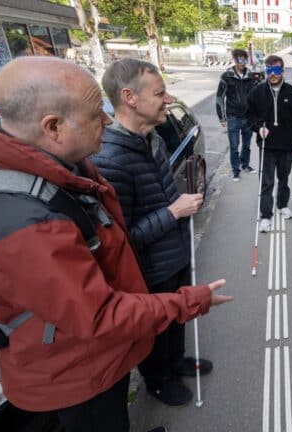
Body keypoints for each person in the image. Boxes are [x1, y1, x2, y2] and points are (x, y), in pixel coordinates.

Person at [0, 56, 232, 432]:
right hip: (73, 372)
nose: (106, 121)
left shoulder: (47, 163)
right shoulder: (24, 223)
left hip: (91, 356)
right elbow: (98, 315)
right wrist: (190, 300)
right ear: (52, 127)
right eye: (94, 114)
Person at [93, 58, 214, 407]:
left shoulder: (153, 139)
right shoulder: (110, 160)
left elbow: (164, 195)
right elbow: (121, 238)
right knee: (156, 329)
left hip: (174, 255)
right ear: (129, 97)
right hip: (148, 271)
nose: (168, 98)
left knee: (178, 317)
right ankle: (158, 381)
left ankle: (177, 363)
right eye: (159, 93)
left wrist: (181, 205)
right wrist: (173, 212)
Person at [246, 55, 292, 232]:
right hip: (267, 145)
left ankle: (282, 205)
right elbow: (249, 115)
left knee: (284, 179)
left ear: (282, 71)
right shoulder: (257, 92)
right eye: (269, 70)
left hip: (287, 146)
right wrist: (258, 127)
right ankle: (266, 215)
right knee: (266, 181)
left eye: (276, 70)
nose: (273, 74)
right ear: (266, 71)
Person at [216, 48, 261, 182]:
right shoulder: (226, 76)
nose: (241, 62)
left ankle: (245, 164)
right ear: (234, 60)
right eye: (238, 59)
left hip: (248, 118)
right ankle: (236, 170)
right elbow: (219, 98)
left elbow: (257, 97)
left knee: (247, 145)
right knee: (234, 146)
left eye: (243, 59)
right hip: (233, 117)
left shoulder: (252, 77)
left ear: (246, 60)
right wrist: (222, 118)